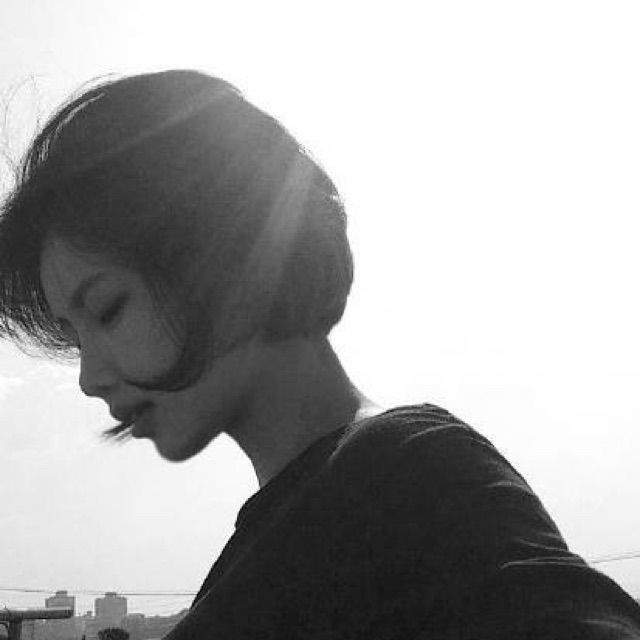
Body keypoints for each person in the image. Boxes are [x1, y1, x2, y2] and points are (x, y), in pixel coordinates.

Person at [1, 70, 639, 639]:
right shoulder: (305, 518)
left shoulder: (409, 476)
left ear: (226, 260)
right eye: (74, 337)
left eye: (108, 308)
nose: (88, 378)